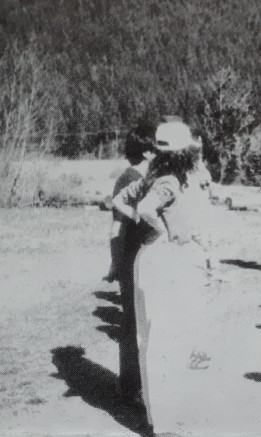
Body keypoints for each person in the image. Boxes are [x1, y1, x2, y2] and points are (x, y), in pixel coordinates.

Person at [111, 119, 216, 437]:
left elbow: (116, 202)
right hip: (165, 259)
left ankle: (160, 418)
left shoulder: (153, 176)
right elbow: (145, 208)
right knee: (166, 339)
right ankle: (167, 424)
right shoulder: (169, 180)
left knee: (153, 338)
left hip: (154, 258)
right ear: (184, 154)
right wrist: (160, 229)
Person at [105, 123, 157, 403]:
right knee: (131, 324)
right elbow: (117, 227)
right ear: (147, 152)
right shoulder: (129, 179)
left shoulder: (149, 178)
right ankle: (129, 387)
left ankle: (144, 384)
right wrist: (115, 263)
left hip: (145, 260)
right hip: (131, 260)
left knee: (144, 322)